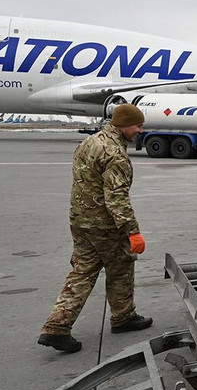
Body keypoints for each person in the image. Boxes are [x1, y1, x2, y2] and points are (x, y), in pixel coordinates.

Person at [38, 103, 153, 353]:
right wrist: (133, 231)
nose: (140, 130)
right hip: (104, 225)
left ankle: (56, 326)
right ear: (124, 125)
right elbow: (116, 197)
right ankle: (123, 317)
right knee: (120, 268)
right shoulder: (115, 154)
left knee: (83, 271)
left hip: (80, 221)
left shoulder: (90, 142)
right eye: (137, 125)